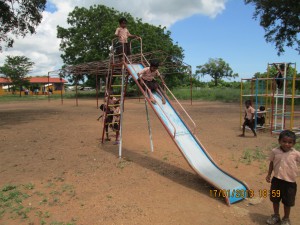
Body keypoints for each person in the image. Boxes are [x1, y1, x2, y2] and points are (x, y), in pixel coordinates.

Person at [266, 130, 300, 225]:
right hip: (276, 181)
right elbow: (271, 163)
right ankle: (276, 216)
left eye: (290, 142)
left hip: (290, 183)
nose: (286, 144)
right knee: (275, 199)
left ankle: (286, 219)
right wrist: (269, 174)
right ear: (279, 141)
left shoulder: (296, 154)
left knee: (287, 202)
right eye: (284, 141)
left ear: (294, 143)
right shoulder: (275, 151)